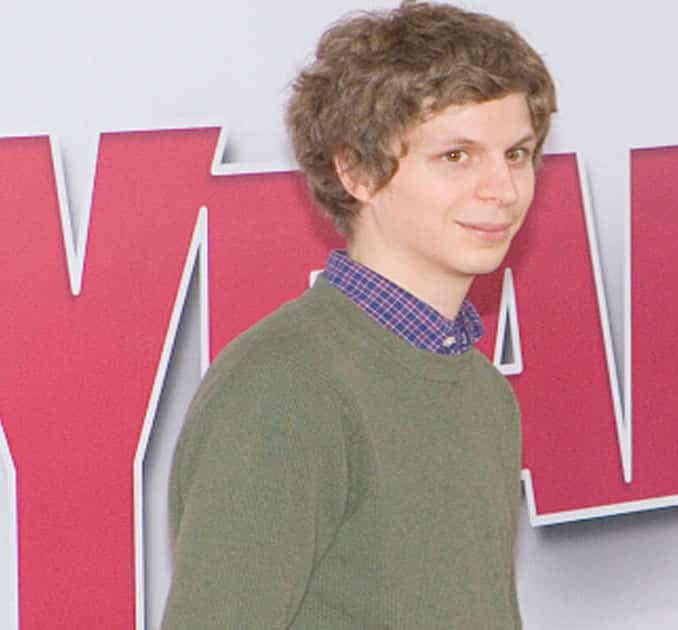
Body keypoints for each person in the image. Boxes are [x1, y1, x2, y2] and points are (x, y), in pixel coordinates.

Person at [162, 2, 555, 627]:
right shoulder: (283, 391)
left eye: (517, 153)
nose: (503, 189)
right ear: (357, 171)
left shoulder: (483, 391)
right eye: (456, 156)